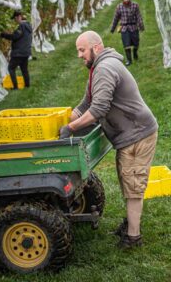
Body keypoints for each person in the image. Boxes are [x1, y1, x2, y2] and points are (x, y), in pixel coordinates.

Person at [59, 31, 158, 249]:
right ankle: (131, 223)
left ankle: (133, 238)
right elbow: (86, 103)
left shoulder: (104, 69)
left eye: (81, 50)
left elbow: (98, 109)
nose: (79, 55)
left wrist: (70, 128)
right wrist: (63, 120)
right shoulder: (97, 68)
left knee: (133, 187)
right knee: (126, 180)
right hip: (128, 134)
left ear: (96, 48)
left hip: (137, 134)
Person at [0, 10, 32, 89]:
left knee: (11, 68)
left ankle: (15, 87)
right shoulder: (28, 26)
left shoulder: (21, 26)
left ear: (19, 17)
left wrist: (4, 35)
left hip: (19, 52)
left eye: (15, 19)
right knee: (24, 69)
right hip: (26, 51)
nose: (15, 21)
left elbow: (15, 36)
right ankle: (27, 85)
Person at [110, 0, 144, 66]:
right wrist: (113, 28)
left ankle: (135, 53)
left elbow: (139, 16)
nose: (126, 0)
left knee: (136, 43)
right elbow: (115, 18)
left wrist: (141, 26)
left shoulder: (135, 6)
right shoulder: (119, 7)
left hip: (134, 27)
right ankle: (129, 60)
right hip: (124, 28)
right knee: (126, 44)